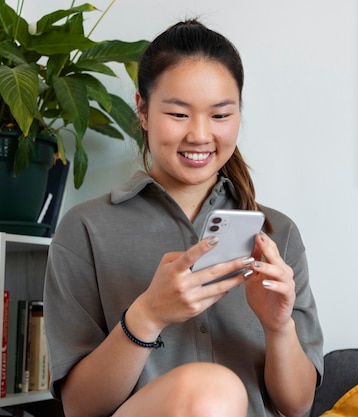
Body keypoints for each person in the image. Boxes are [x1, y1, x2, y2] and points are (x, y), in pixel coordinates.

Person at [43, 19, 323, 417]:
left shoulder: (277, 234)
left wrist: (279, 327)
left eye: (220, 116)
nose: (199, 135)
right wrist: (148, 315)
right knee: (211, 389)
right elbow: (81, 409)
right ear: (142, 109)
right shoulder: (86, 229)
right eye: (178, 114)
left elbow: (297, 407)